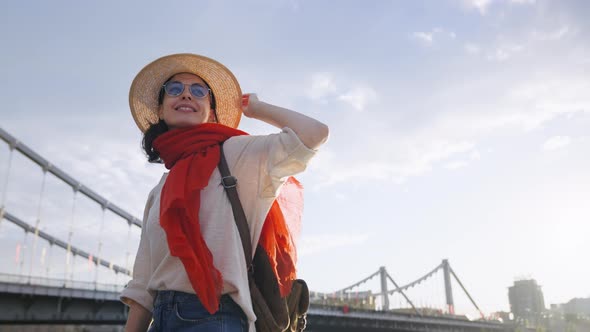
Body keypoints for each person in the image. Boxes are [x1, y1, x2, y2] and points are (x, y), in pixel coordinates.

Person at [120, 53, 329, 332]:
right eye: (174, 89)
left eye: (198, 91)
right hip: (161, 319)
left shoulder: (238, 155)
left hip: (217, 319)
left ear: (213, 112)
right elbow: (143, 284)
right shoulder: (159, 191)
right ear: (160, 109)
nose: (185, 95)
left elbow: (314, 133)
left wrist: (257, 108)